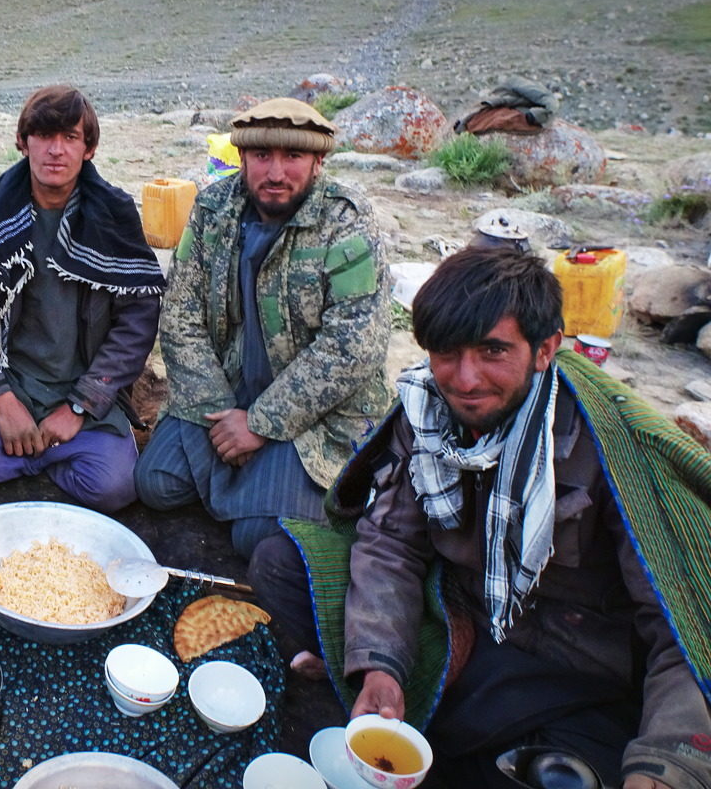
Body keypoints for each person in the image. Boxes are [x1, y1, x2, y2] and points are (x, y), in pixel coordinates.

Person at [249, 247, 711, 789]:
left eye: (493, 351)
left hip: (566, 659)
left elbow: (680, 622)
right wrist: (381, 663)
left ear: (545, 350)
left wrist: (665, 764)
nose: (465, 379)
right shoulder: (426, 412)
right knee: (281, 560)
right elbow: (392, 543)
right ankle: (383, 689)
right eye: (447, 352)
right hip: (456, 611)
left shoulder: (611, 449)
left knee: (556, 771)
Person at [134, 97, 390, 557]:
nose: (275, 173)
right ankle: (252, 482)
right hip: (227, 391)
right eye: (261, 157)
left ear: (317, 161)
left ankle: (272, 490)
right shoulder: (213, 207)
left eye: (292, 157)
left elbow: (353, 347)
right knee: (156, 484)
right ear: (243, 158)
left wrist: (261, 423)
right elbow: (180, 314)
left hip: (315, 415)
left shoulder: (345, 220)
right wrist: (221, 416)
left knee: (257, 539)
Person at [0, 85, 164, 513]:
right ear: (22, 141)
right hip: (6, 386)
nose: (56, 150)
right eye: (44, 136)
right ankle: (16, 448)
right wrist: (0, 400)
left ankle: (32, 457)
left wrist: (82, 405)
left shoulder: (114, 216)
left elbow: (138, 321)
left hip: (83, 391)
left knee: (116, 489)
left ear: (88, 149)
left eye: (70, 137)